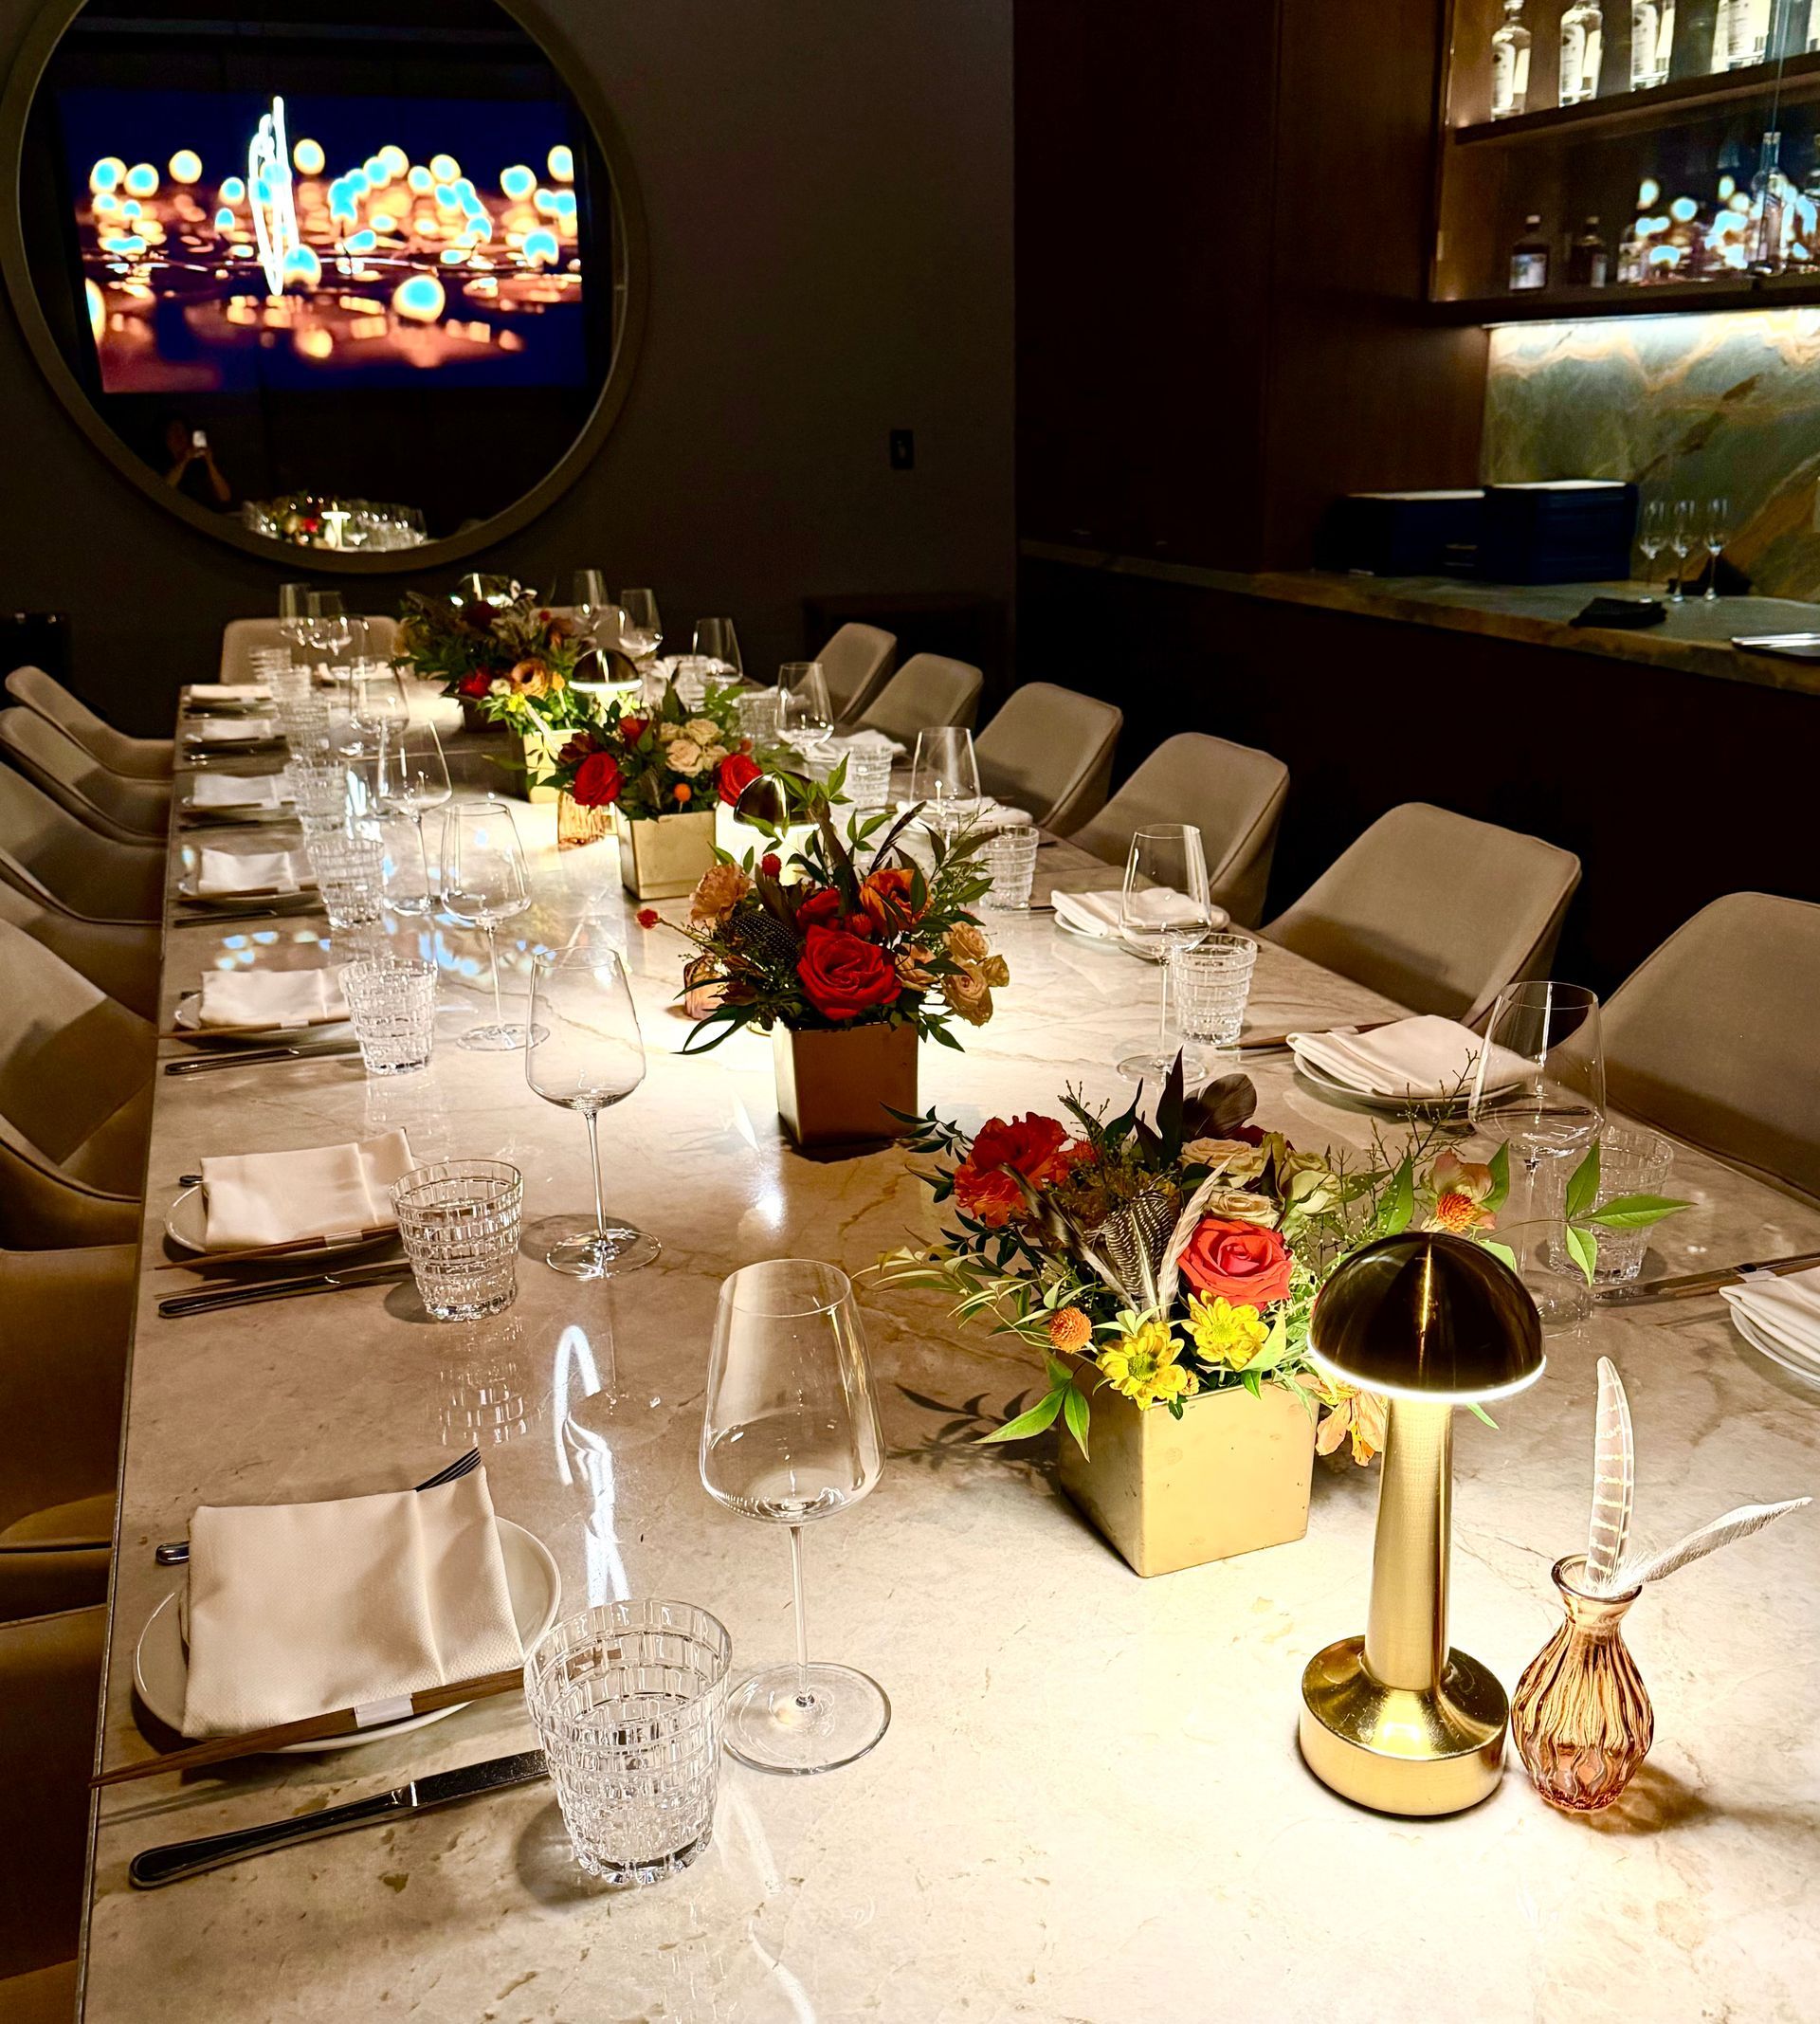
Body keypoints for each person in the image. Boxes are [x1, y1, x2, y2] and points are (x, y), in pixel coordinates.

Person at [162, 417, 231, 507]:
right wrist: (184, 460)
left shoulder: (197, 466)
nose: (180, 436)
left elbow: (225, 497)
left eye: (183, 432)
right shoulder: (162, 461)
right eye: (175, 431)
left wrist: (210, 463)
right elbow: (163, 490)